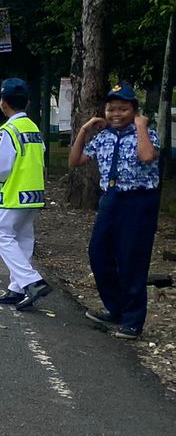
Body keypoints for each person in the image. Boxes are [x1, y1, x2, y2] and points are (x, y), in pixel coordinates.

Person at [71, 84, 161, 339]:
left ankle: (133, 321)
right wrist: (84, 130)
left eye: (123, 109)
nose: (116, 114)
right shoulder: (104, 136)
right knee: (98, 253)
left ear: (134, 110)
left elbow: (146, 157)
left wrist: (142, 126)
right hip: (111, 198)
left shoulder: (147, 134)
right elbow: (76, 161)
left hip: (139, 200)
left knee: (132, 258)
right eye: (112, 109)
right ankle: (116, 308)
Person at [0, 79, 50, 312]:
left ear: (3, 104)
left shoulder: (10, 130)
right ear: (28, 102)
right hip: (34, 193)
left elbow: (2, 166)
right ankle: (17, 288)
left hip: (14, 192)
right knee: (23, 238)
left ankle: (32, 282)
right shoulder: (33, 128)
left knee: (1, 235)